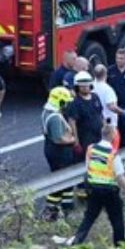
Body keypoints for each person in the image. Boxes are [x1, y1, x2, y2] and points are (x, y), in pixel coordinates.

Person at [54, 124, 125, 247]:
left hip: (93, 189)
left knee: (89, 217)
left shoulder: (91, 149)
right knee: (116, 218)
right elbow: (120, 176)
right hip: (109, 191)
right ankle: (120, 244)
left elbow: (88, 168)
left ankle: (77, 240)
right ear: (113, 136)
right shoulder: (113, 154)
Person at [42, 86, 77, 220]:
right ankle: (53, 209)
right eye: (65, 102)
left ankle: (64, 206)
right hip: (59, 152)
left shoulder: (47, 112)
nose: (67, 105)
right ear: (60, 101)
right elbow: (59, 139)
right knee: (62, 180)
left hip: (51, 149)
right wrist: (72, 140)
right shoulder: (55, 117)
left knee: (63, 179)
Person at [65, 70, 104, 159]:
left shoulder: (95, 97)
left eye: (87, 85)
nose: (85, 88)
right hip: (85, 138)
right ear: (77, 87)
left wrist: (105, 128)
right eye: (82, 86)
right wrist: (76, 141)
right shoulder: (74, 103)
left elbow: (101, 114)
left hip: (98, 136)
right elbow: (72, 122)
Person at [92, 63, 125, 131]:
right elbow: (111, 107)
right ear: (105, 74)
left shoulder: (91, 86)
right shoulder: (107, 89)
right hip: (109, 124)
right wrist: (123, 112)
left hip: (96, 121)